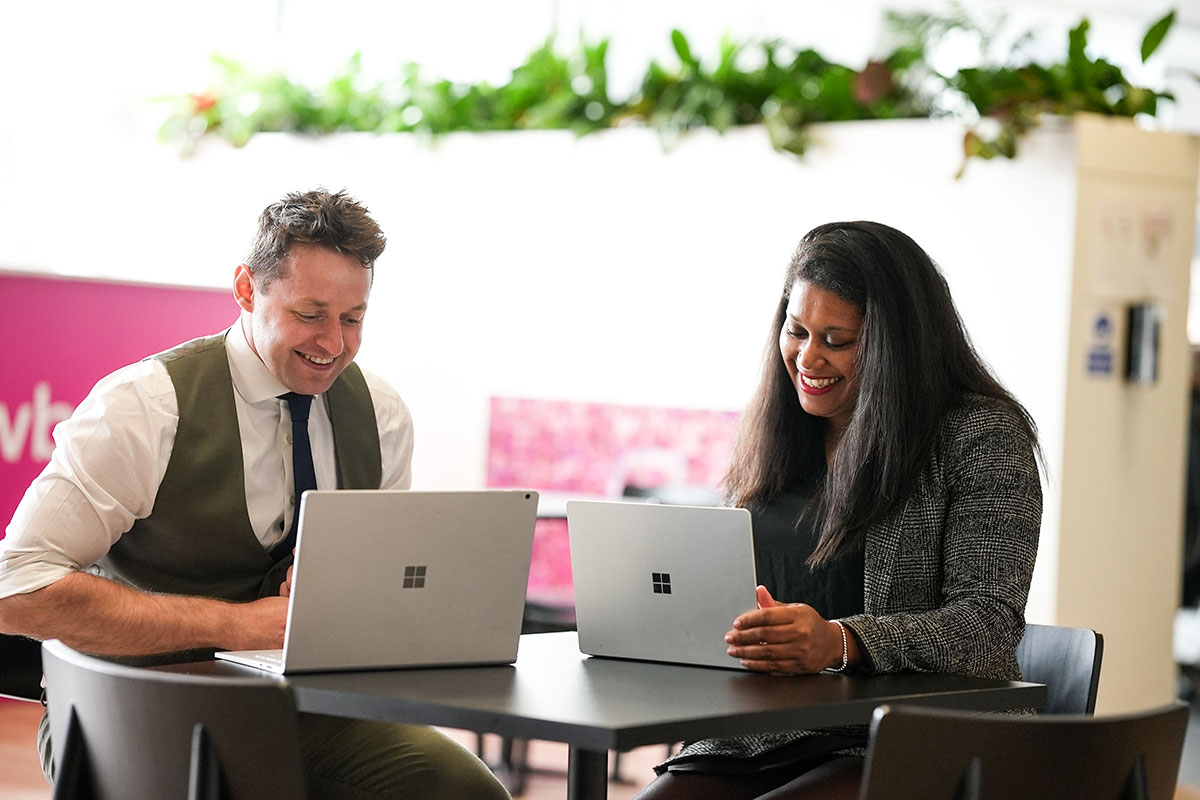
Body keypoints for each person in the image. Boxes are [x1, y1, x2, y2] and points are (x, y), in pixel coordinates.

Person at [0, 188, 511, 799]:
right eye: (310, 313)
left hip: (294, 705)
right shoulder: (142, 406)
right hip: (127, 703)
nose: (333, 344)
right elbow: (16, 590)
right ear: (246, 289)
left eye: (352, 319)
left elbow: (375, 587)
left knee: (462, 790)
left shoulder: (382, 414)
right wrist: (240, 625)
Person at [635, 221, 1042, 800]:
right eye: (796, 331)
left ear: (897, 345)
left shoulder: (980, 435)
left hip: (918, 735)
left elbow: (988, 625)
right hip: (766, 732)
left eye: (837, 339)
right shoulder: (780, 434)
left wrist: (841, 642)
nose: (807, 357)